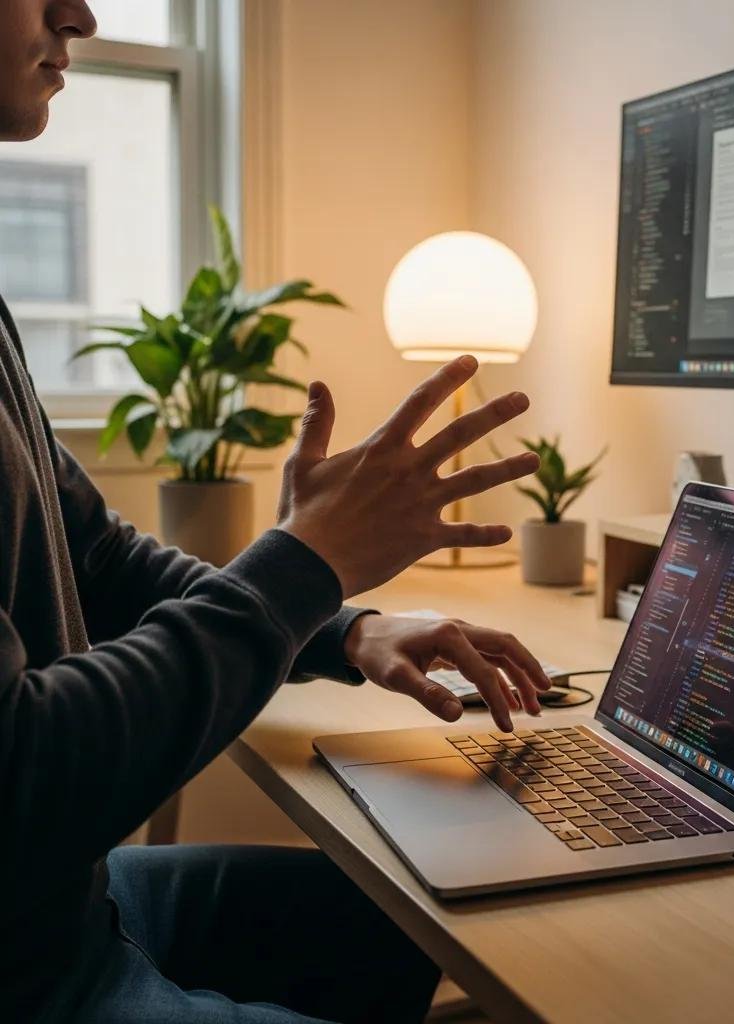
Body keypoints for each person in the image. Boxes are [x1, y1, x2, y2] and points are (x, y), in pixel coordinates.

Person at [0, 2, 552, 1021]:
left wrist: (349, 626)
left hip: (55, 909)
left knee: (414, 922)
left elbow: (100, 559)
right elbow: (21, 782)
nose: (78, 12)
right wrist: (301, 563)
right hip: (25, 973)